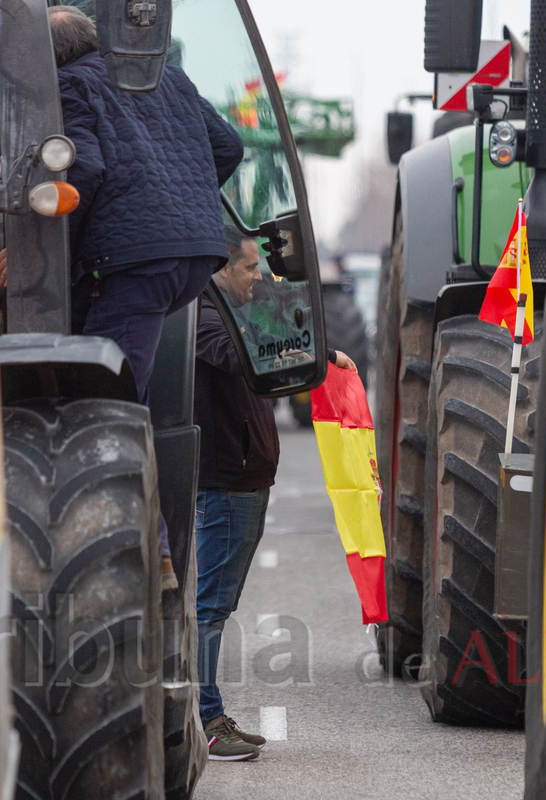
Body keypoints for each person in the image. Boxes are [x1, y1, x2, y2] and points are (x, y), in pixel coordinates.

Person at [0, 6, 244, 407]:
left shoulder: (68, 85)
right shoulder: (167, 76)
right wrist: (177, 201)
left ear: (44, 57)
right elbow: (228, 147)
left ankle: (118, 462)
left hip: (139, 265)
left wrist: (32, 252)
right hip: (196, 256)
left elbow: (84, 170)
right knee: (105, 365)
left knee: (110, 395)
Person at [193, 227, 354, 761]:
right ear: (221, 269)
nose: (258, 278)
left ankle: (204, 714)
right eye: (249, 269)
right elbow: (240, 354)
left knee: (216, 605)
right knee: (208, 609)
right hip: (225, 485)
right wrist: (306, 356)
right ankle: (206, 722)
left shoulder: (230, 312)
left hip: (244, 483)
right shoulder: (204, 316)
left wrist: (321, 356)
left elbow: (267, 343)